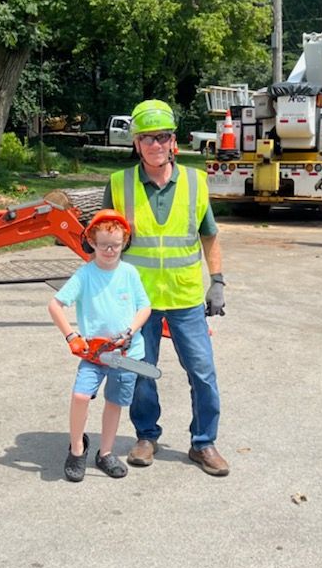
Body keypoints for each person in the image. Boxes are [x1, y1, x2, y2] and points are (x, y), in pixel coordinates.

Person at [103, 99, 229, 477]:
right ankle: (145, 435)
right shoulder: (119, 183)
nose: (156, 145)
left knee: (203, 371)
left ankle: (203, 443)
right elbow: (107, 243)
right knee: (141, 370)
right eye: (147, 139)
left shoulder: (194, 182)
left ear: (173, 141)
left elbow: (209, 236)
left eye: (163, 137)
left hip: (186, 297)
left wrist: (217, 281)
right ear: (136, 143)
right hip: (137, 301)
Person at [48, 210, 151, 483]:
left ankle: (105, 452)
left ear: (124, 243)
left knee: (115, 402)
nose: (109, 250)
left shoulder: (129, 273)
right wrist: (71, 336)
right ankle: (77, 448)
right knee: (81, 396)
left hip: (125, 354)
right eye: (104, 244)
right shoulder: (85, 275)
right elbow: (55, 305)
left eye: (115, 245)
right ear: (91, 241)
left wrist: (131, 330)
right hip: (93, 354)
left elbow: (145, 306)